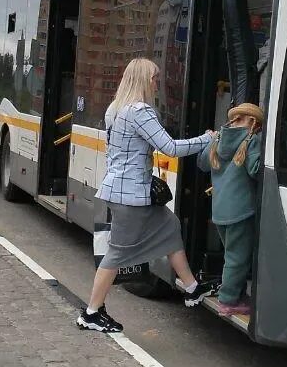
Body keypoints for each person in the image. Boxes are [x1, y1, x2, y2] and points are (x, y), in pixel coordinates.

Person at [78, 58, 216, 334]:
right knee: (117, 253)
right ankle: (92, 312)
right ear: (143, 80)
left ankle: (191, 288)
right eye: (154, 78)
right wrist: (207, 138)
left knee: (169, 225)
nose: (157, 83)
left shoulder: (115, 110)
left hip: (120, 190)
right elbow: (170, 148)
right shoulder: (140, 111)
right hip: (130, 196)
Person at [198, 102, 264, 317]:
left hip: (220, 210)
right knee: (238, 258)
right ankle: (228, 301)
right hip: (241, 211)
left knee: (232, 255)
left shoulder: (218, 138)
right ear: (253, 122)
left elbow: (202, 163)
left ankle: (235, 294)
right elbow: (255, 171)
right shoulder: (252, 140)